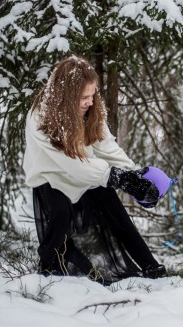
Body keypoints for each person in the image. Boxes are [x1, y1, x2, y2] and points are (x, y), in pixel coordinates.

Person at [23, 55, 166, 285]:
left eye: (92, 95)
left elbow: (107, 146)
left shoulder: (91, 110)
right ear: (66, 96)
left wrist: (133, 175)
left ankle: (150, 266)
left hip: (87, 174)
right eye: (84, 97)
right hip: (52, 178)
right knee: (60, 216)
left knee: (115, 211)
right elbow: (72, 162)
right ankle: (48, 270)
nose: (90, 102)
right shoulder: (40, 118)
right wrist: (118, 178)